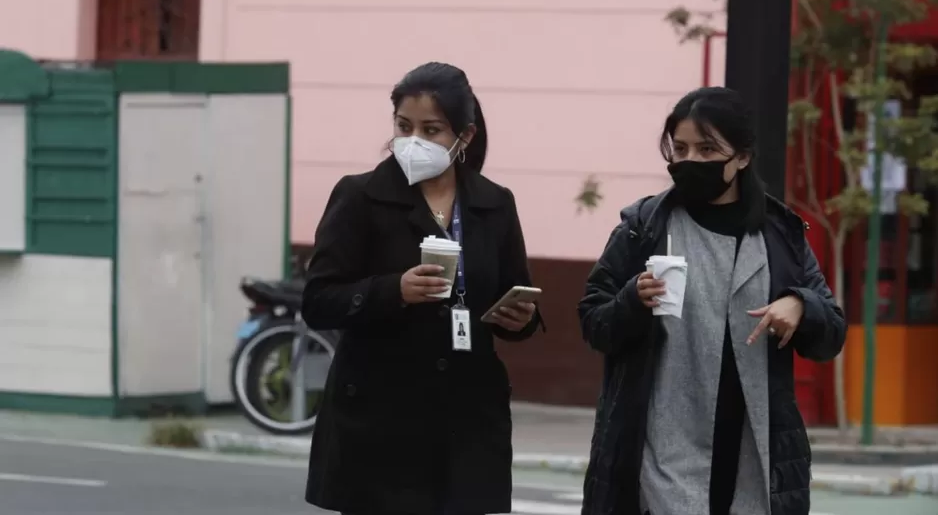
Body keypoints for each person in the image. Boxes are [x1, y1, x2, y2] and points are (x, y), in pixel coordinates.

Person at [578, 87, 846, 515]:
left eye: (707, 149)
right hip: (661, 454)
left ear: (741, 157)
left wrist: (801, 304)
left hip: (753, 454)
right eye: (680, 148)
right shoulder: (643, 227)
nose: (691, 161)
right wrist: (632, 299)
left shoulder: (780, 236)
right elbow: (593, 319)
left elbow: (832, 332)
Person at [302, 61, 542, 515]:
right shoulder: (359, 197)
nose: (414, 141)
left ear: (464, 137)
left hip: (467, 419)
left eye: (431, 130)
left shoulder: (494, 203)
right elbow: (318, 301)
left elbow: (515, 290)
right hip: (380, 419)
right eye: (404, 126)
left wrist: (521, 319)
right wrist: (394, 290)